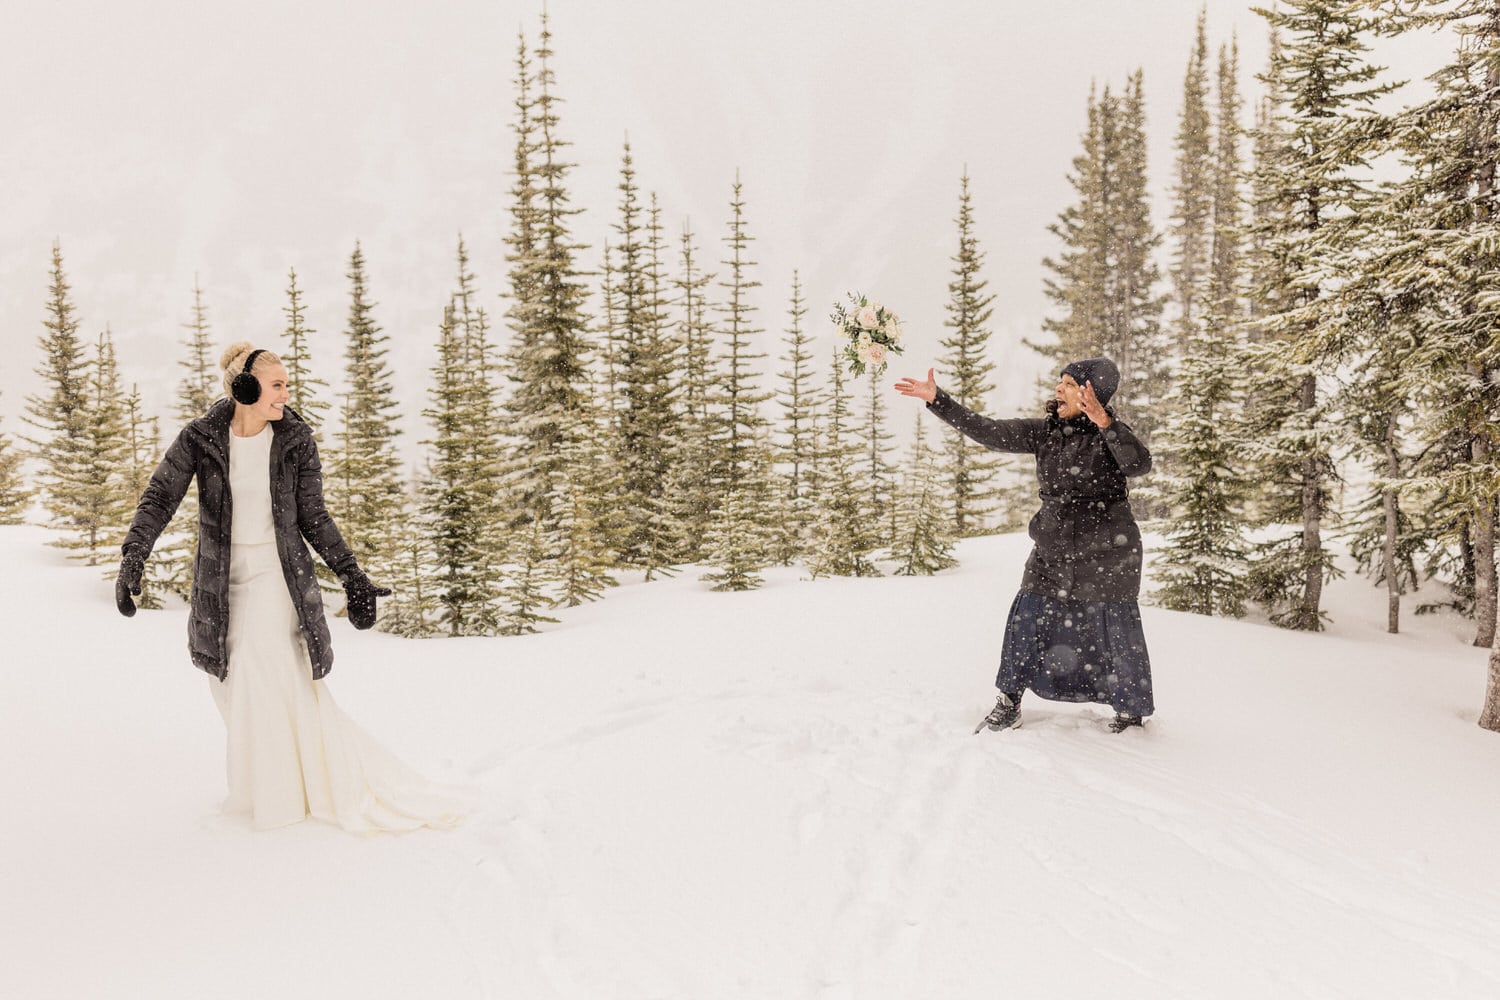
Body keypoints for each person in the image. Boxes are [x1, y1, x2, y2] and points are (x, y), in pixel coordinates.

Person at [116, 342, 471, 831]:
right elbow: (160, 497)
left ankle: (281, 803)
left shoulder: (294, 441)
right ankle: (267, 787)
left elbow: (314, 516)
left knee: (262, 671)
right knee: (230, 684)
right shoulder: (201, 439)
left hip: (275, 576)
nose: (286, 393)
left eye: (285, 384)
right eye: (276, 385)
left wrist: (352, 574)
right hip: (220, 583)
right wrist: (134, 555)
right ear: (244, 388)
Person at [895, 358, 1155, 733]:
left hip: (1108, 555)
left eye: (1068, 383)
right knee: (1027, 619)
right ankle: (1008, 701)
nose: (1058, 389)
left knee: (1116, 631)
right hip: (1053, 551)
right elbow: (990, 431)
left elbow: (1139, 464)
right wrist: (939, 400)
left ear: (1091, 393)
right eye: (1060, 381)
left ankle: (1130, 715)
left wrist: (1106, 424)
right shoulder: (1046, 432)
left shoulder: (1111, 434)